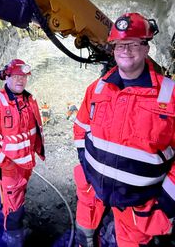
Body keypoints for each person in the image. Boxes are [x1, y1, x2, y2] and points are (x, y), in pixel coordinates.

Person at [73, 13, 175, 247]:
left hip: (139, 205)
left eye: (132, 43)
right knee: (85, 234)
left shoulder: (170, 96)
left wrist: (166, 202)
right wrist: (86, 167)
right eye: (119, 44)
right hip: (94, 191)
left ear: (146, 48)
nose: (125, 50)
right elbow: (80, 128)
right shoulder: (97, 89)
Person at [0, 59, 45, 247]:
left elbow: (33, 131)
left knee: (19, 199)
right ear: (6, 77)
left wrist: (35, 153)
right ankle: (13, 239)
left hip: (26, 165)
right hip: (10, 168)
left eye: (23, 76)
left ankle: (17, 231)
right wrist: (6, 164)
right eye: (15, 76)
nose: (20, 80)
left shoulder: (29, 100)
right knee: (12, 207)